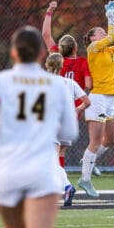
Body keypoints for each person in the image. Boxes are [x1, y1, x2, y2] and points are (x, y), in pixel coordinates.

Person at [0, 25, 78, 228]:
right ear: (42, 53)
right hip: (40, 168)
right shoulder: (58, 85)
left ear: (13, 52)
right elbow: (69, 132)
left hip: (6, 168)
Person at [78, 1, 114, 198]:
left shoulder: (109, 51)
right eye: (99, 32)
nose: (103, 34)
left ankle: (88, 160)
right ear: (92, 38)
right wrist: (110, 17)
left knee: (110, 139)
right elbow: (112, 36)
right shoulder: (93, 48)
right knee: (94, 141)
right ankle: (85, 179)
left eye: (104, 31)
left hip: (110, 98)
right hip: (98, 97)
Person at [42, 2, 101, 177]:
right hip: (72, 110)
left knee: (50, 146)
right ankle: (60, 180)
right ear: (75, 47)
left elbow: (46, 34)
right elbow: (89, 85)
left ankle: (54, 179)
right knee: (60, 150)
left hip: (53, 109)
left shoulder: (57, 57)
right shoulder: (83, 62)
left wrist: (49, 12)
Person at [45, 52, 90, 206]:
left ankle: (67, 187)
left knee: (51, 161)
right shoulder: (70, 83)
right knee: (52, 160)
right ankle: (56, 188)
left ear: (47, 65)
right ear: (62, 66)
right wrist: (77, 110)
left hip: (52, 124)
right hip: (67, 125)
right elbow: (87, 101)